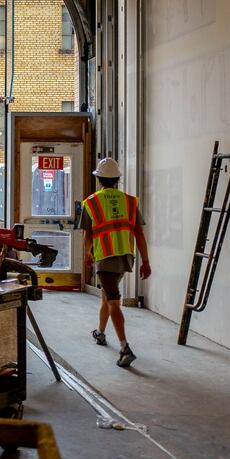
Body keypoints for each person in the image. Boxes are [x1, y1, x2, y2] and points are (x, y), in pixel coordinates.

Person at [79, 157, 151, 368]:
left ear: (99, 179)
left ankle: (124, 347)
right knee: (107, 296)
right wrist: (146, 262)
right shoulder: (129, 201)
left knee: (113, 301)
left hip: (105, 257)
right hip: (125, 257)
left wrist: (88, 254)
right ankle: (100, 333)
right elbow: (139, 234)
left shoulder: (91, 202)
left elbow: (88, 234)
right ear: (118, 179)